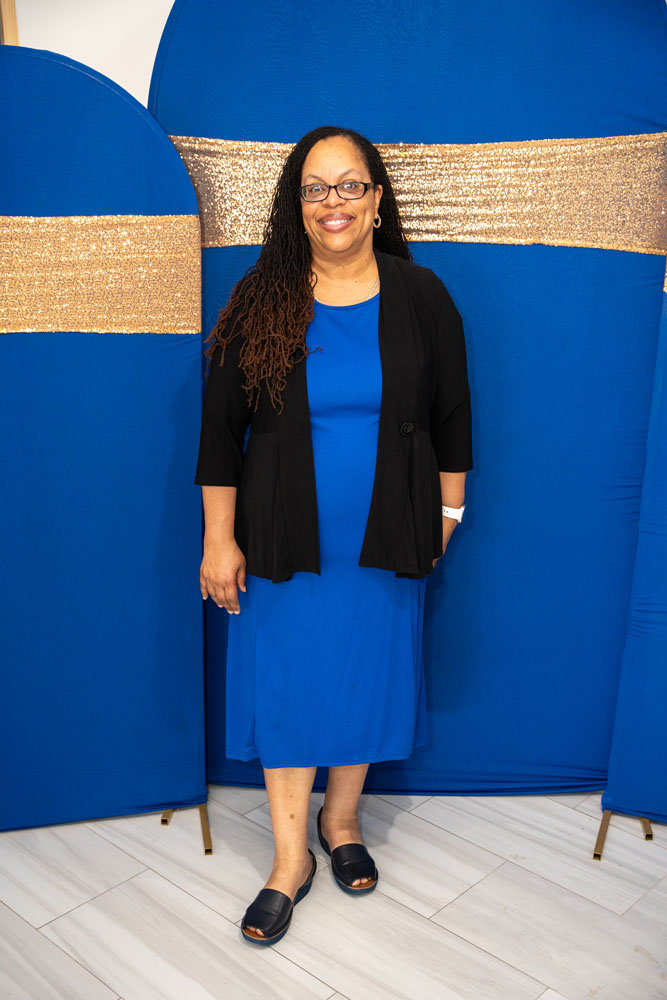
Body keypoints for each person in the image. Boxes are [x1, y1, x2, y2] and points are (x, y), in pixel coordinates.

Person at [194, 125, 473, 946]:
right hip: (281, 534)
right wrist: (218, 540)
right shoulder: (261, 298)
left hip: (390, 529)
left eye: (349, 185)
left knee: (363, 675)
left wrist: (448, 516)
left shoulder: (421, 295)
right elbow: (219, 433)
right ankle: (290, 859)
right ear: (296, 204)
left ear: (377, 199)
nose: (332, 203)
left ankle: (341, 821)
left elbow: (454, 415)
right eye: (314, 188)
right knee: (287, 684)